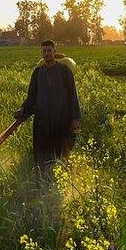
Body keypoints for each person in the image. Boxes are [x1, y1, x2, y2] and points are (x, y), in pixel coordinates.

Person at [14, 40, 81, 173]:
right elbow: (31, 96)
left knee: (62, 152)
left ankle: (63, 179)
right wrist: (23, 108)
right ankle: (42, 180)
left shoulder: (64, 71)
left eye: (49, 50)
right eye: (44, 51)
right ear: (41, 53)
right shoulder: (38, 73)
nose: (46, 54)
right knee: (42, 154)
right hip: (42, 121)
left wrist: (75, 118)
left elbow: (73, 95)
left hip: (61, 119)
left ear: (54, 52)